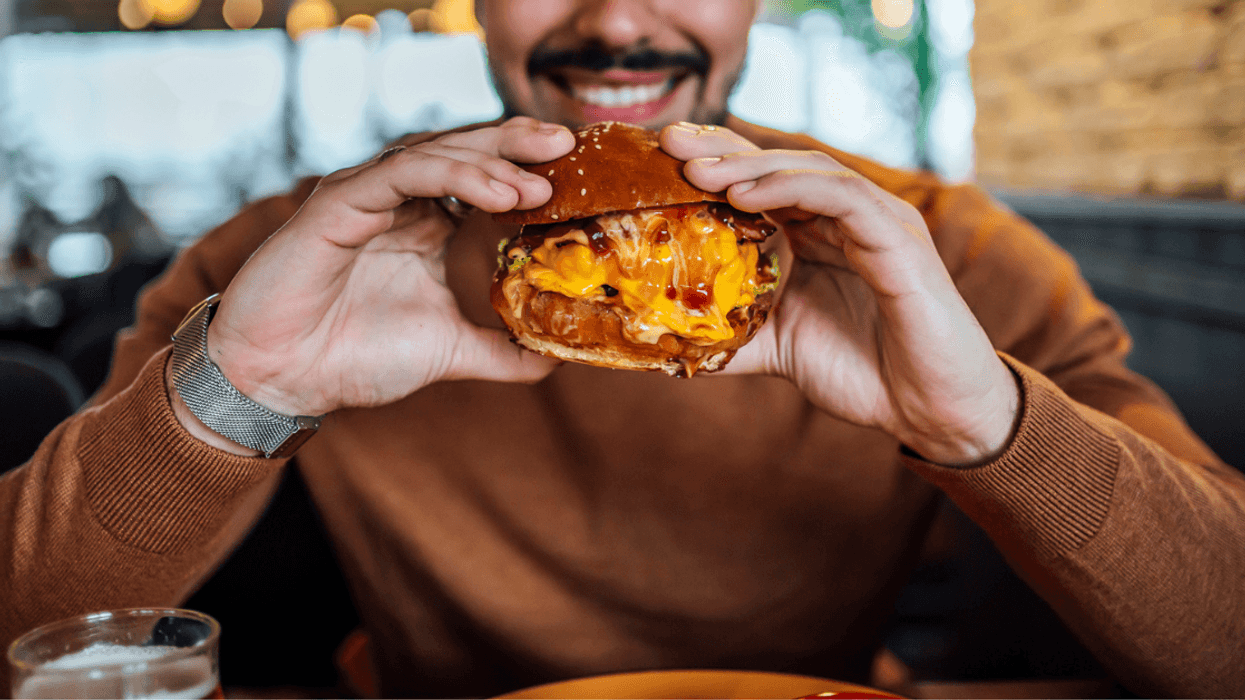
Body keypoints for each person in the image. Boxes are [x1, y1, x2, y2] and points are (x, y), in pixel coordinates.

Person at [3, 0, 1243, 696]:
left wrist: (987, 425)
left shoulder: (935, 251)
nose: (615, 20)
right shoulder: (301, 254)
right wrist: (243, 391)